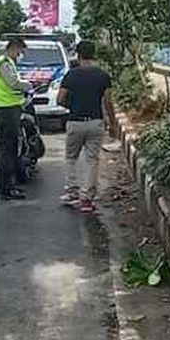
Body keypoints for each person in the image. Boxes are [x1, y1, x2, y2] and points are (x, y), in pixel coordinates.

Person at [56, 40, 118, 215]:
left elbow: (60, 99)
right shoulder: (103, 76)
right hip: (95, 123)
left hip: (74, 122)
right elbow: (108, 102)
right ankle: (86, 200)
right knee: (92, 160)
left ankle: (71, 191)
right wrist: (112, 124)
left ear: (78, 54)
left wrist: (72, 106)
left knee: (70, 157)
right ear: (95, 54)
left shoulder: (71, 75)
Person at [0, 38, 31, 200]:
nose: (20, 55)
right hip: (6, 109)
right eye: (20, 51)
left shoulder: (8, 62)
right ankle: (6, 187)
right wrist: (28, 85)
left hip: (8, 108)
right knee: (8, 150)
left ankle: (6, 185)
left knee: (7, 148)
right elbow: (13, 83)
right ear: (14, 48)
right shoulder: (5, 63)